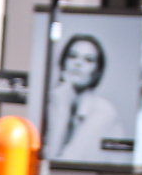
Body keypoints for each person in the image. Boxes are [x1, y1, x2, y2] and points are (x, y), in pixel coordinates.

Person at [46, 34, 126, 163]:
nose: (78, 64)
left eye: (88, 60)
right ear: (62, 64)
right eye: (72, 56)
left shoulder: (104, 112)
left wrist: (62, 111)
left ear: (97, 72)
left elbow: (63, 164)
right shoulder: (55, 102)